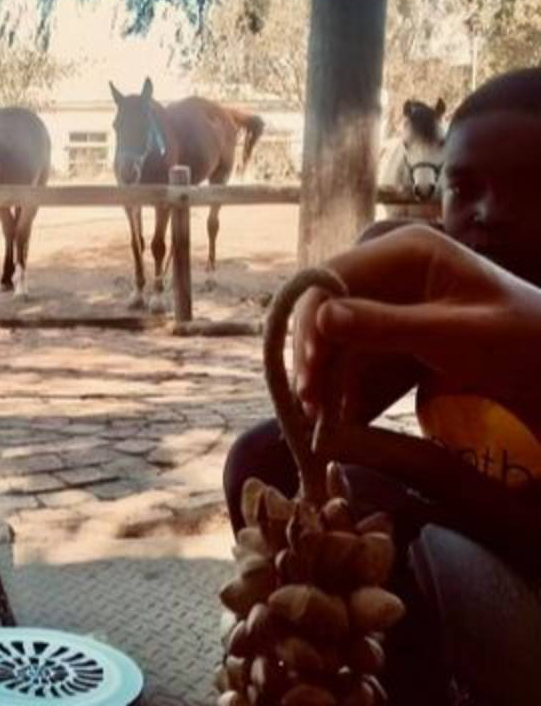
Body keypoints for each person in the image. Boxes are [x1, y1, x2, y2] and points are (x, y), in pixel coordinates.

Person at [224, 67, 541, 705]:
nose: (488, 213)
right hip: (459, 519)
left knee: (423, 554)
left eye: (534, 188)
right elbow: (332, 421)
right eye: (464, 187)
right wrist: (340, 382)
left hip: (526, 553)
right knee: (263, 457)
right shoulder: (448, 301)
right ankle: (310, 666)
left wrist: (405, 460)